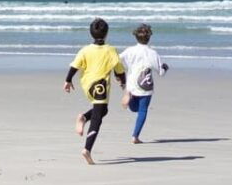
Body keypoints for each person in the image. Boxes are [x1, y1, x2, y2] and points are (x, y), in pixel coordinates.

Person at [63, 18, 127, 165]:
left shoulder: (85, 50)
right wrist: (122, 81)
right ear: (106, 34)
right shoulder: (110, 50)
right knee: (98, 118)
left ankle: (84, 117)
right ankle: (87, 149)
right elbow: (119, 69)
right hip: (100, 86)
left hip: (87, 85)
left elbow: (74, 66)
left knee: (103, 110)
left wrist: (68, 80)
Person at [119, 23, 169, 144]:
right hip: (146, 86)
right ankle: (135, 136)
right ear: (149, 37)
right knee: (142, 110)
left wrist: (121, 72)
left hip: (131, 85)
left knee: (134, 108)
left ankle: (129, 98)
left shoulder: (130, 51)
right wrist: (165, 67)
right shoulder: (153, 53)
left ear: (135, 37)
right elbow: (161, 72)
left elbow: (117, 60)